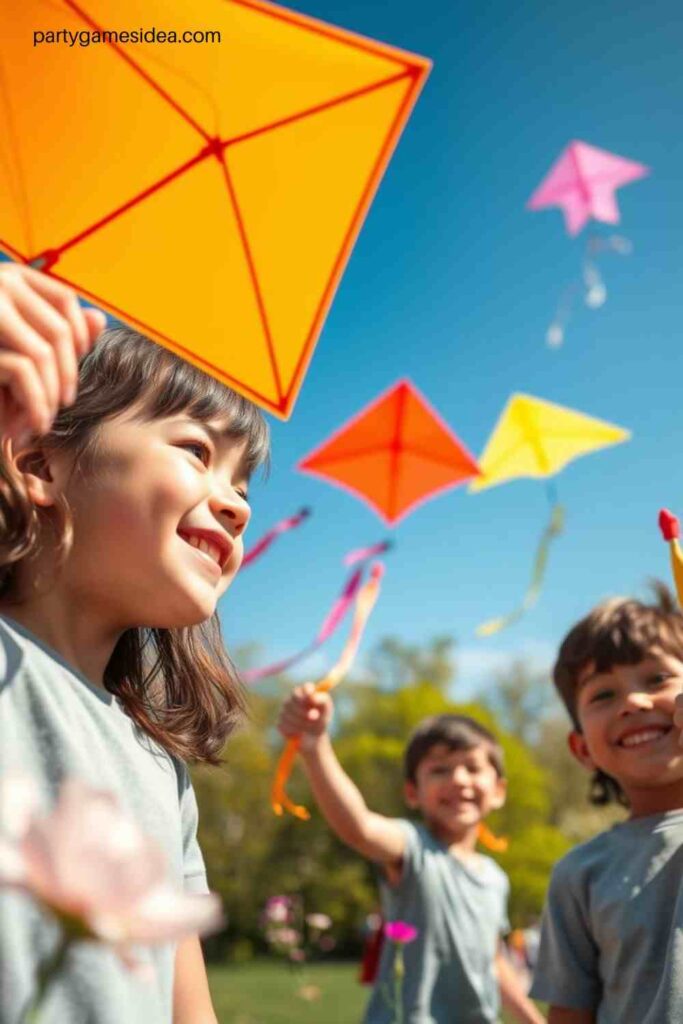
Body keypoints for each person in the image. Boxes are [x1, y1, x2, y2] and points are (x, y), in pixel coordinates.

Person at [0, 263, 270, 1023]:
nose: (236, 504)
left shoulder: (161, 768)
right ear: (36, 464)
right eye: (194, 450)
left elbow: (188, 1009)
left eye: (244, 484)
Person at [277, 686, 545, 1023]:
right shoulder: (413, 847)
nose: (459, 779)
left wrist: (534, 1020)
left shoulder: (495, 878)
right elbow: (360, 827)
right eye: (440, 770)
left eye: (473, 768)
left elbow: (491, 960)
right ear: (412, 792)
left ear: (499, 791)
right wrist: (315, 749)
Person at [530, 585, 683, 1023]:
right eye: (603, 695)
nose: (633, 701)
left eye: (657, 679)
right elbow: (570, 1012)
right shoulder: (579, 875)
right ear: (581, 749)